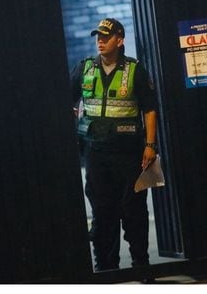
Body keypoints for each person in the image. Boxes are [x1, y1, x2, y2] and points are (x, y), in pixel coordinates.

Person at [71, 17, 160, 274]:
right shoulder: (85, 68)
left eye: (106, 37)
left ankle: (141, 265)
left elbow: (149, 109)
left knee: (134, 210)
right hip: (95, 153)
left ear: (119, 40)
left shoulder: (135, 70)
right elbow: (67, 99)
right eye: (98, 37)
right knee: (102, 211)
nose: (100, 41)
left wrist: (150, 145)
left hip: (129, 154)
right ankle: (106, 269)